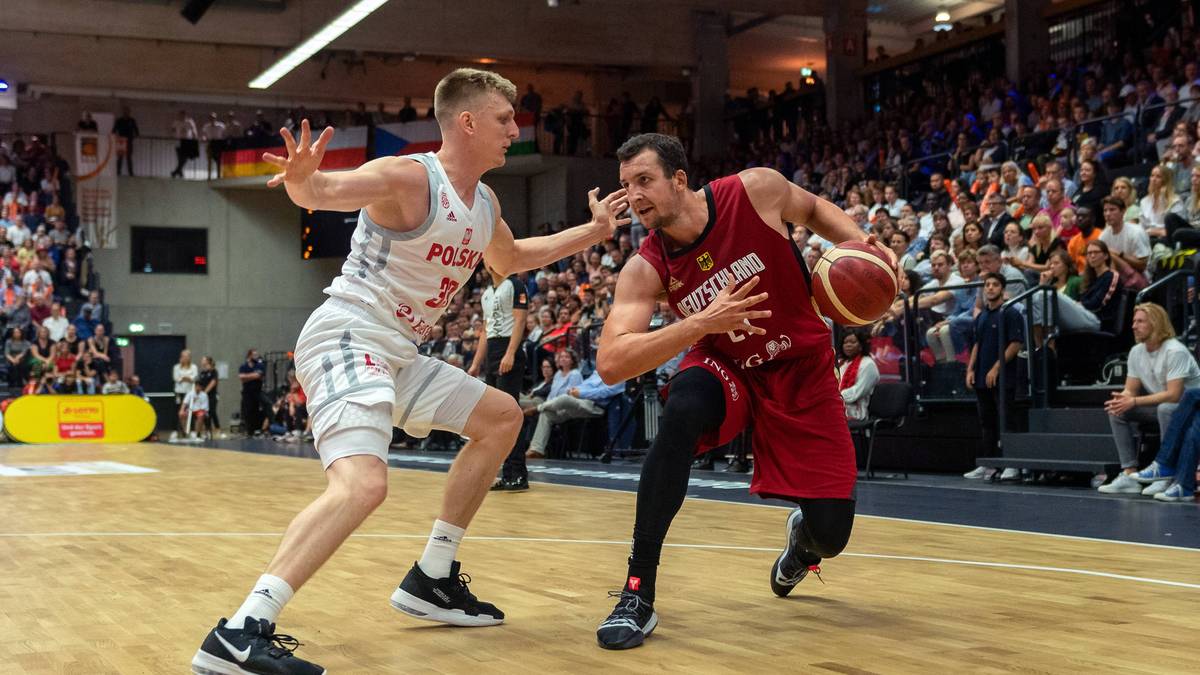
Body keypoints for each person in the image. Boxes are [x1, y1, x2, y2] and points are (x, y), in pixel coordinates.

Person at [192, 68, 630, 675]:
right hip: (348, 334)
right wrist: (301, 180)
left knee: (503, 417)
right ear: (468, 122)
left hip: (398, 352)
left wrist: (595, 231)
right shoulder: (408, 176)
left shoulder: (485, 203)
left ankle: (433, 575)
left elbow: (512, 258)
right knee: (363, 486)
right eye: (505, 119)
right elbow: (321, 190)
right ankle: (242, 631)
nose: (514, 129)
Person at [592, 133, 895, 650]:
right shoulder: (646, 266)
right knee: (683, 408)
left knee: (833, 533)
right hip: (726, 366)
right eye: (626, 185)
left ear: (679, 179)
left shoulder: (754, 191)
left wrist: (864, 244)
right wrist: (699, 324)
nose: (633, 195)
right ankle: (637, 591)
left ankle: (802, 544)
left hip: (801, 366)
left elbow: (816, 209)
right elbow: (611, 363)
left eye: (644, 180)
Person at [1100, 303, 1200, 494]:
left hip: (1190, 410)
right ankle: (1129, 473)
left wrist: (1135, 401)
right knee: (1117, 410)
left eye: (1140, 321)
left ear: (1155, 323)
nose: (1134, 326)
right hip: (1162, 405)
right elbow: (1131, 389)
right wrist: (1123, 399)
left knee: (1165, 408)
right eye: (1133, 321)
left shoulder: (1174, 350)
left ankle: (1166, 473)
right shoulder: (1136, 351)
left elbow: (1174, 395)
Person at [468, 265, 530, 491]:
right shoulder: (486, 293)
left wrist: (511, 353)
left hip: (507, 349)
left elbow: (520, 321)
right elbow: (485, 331)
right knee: (495, 417)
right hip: (492, 353)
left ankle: (518, 474)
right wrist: (476, 364)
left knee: (509, 414)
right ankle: (506, 473)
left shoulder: (514, 284)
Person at [963, 273, 1024, 482]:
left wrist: (996, 368)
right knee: (986, 421)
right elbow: (977, 344)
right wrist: (970, 369)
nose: (990, 288)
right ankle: (987, 463)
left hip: (1003, 377)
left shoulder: (1010, 313)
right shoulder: (981, 316)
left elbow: (1015, 344)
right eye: (987, 285)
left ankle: (1011, 464)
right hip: (981, 376)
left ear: (1002, 289)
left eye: (995, 285)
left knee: (1006, 419)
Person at [838, 329, 879, 421]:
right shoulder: (840, 363)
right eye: (845, 342)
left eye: (852, 342)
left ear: (861, 345)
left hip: (855, 411)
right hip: (836, 405)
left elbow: (856, 392)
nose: (848, 345)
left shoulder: (868, 364)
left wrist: (833, 397)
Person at [238, 349, 266, 437]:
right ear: (249, 356)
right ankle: (248, 431)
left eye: (257, 355)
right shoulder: (243, 366)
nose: (256, 357)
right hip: (247, 392)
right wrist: (253, 375)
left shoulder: (260, 365)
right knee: (247, 411)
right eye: (254, 355)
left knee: (256, 411)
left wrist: (247, 376)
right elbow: (241, 377)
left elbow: (259, 375)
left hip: (257, 392)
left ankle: (256, 430)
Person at [198, 355, 221, 438]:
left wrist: (205, 392)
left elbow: (213, 383)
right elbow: (199, 384)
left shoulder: (214, 371)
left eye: (203, 360)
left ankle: (218, 430)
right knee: (205, 413)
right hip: (203, 397)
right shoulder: (202, 373)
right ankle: (207, 431)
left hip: (212, 396)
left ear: (208, 361)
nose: (201, 361)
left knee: (212, 412)